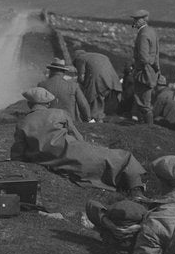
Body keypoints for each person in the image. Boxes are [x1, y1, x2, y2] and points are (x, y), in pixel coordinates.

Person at [10, 87, 148, 197]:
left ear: (29, 104)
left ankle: (126, 186)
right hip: (73, 151)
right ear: (48, 103)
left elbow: (17, 156)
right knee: (123, 157)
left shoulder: (23, 123)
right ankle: (137, 191)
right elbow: (77, 136)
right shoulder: (59, 113)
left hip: (52, 161)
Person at [128, 10, 160, 125]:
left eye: (136, 20)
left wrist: (138, 69)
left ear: (143, 20)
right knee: (145, 100)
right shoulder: (151, 31)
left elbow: (144, 57)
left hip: (144, 72)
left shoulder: (143, 34)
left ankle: (148, 128)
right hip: (151, 71)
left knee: (143, 102)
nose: (134, 22)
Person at [72, 49, 122, 122]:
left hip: (98, 81)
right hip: (113, 81)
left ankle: (96, 118)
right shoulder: (100, 56)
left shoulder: (80, 58)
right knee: (101, 99)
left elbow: (81, 77)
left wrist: (79, 85)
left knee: (94, 97)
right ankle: (99, 117)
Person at [38, 58, 92, 124]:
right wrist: (89, 120)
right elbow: (83, 104)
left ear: (51, 71)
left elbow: (36, 105)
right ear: (63, 72)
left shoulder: (42, 85)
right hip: (69, 121)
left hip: (48, 121)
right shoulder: (73, 86)